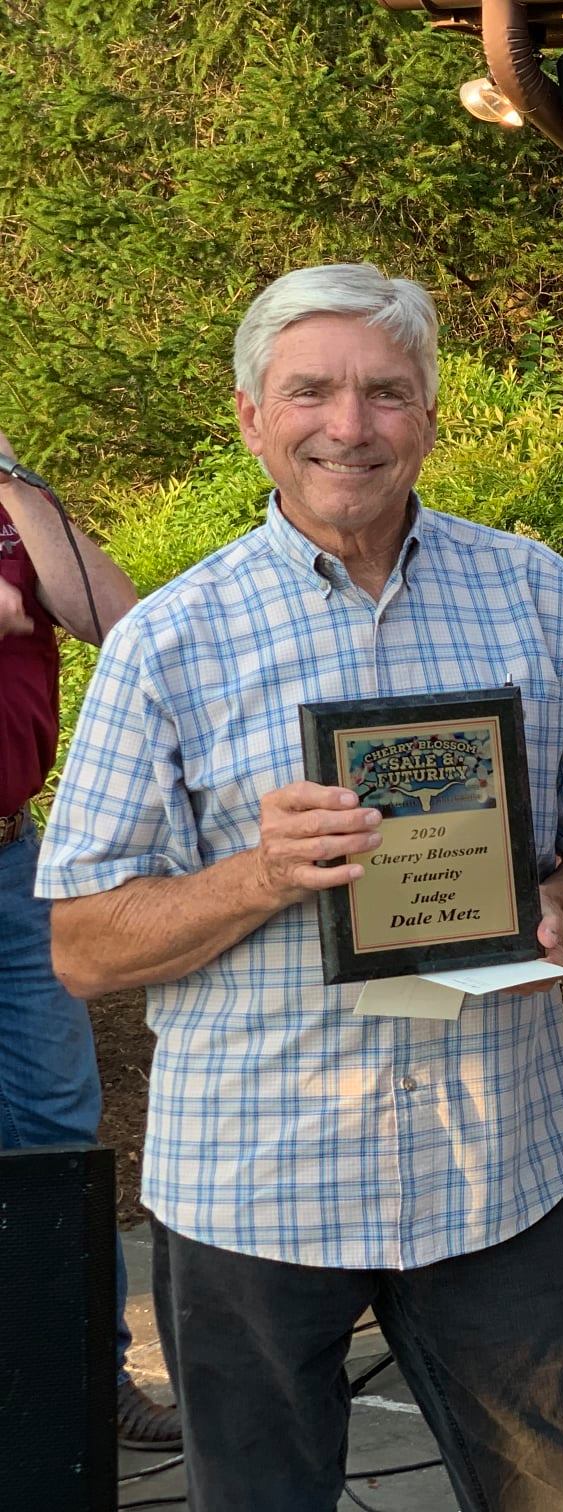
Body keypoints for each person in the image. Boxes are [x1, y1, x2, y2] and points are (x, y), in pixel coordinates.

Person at [36, 264, 563, 1511]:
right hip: (257, 1183)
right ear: (250, 418)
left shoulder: (531, 589)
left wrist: (555, 901)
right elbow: (83, 946)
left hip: (501, 1168)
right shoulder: (171, 637)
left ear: (428, 416)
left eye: (386, 392)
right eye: (311, 391)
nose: (350, 425)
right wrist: (262, 874)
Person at [0, 430, 172, 1447]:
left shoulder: (14, 518)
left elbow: (124, 622)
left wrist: (15, 482)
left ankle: (83, 1378)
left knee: (58, 1127)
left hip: (15, 860)